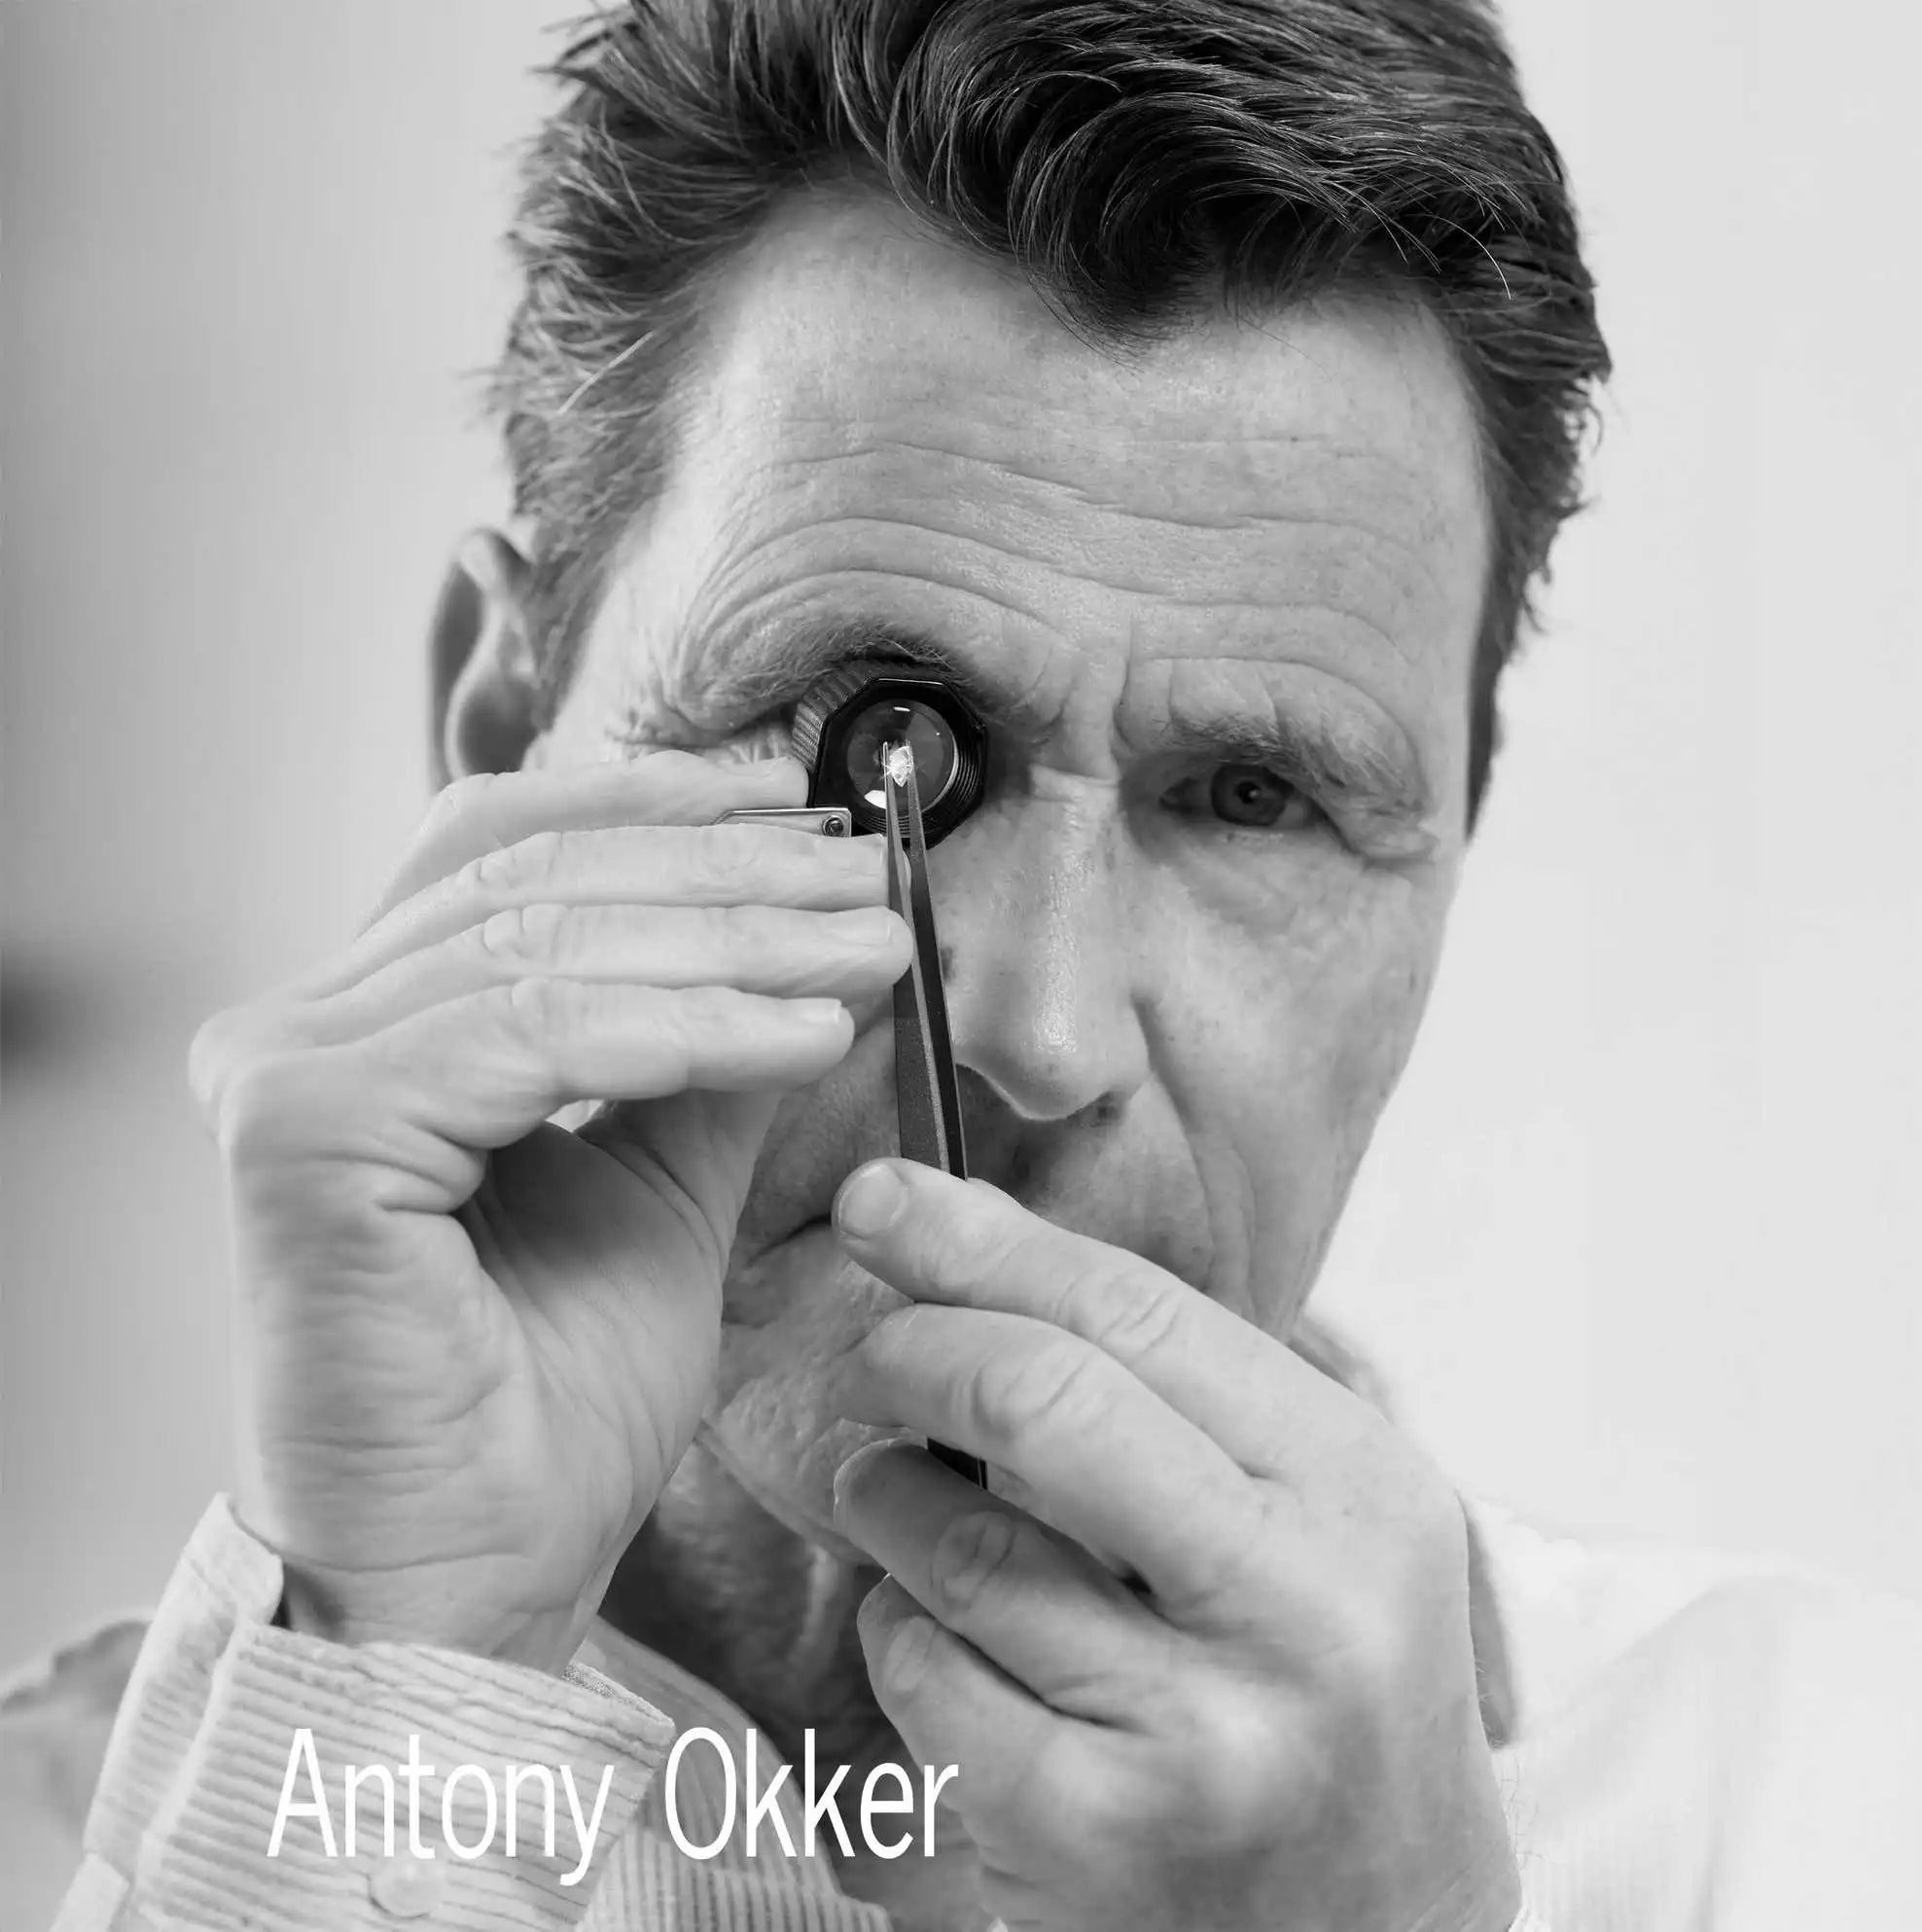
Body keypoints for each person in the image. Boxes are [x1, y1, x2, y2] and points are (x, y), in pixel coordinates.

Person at [10, 1, 1920, 1927]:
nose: (1038, 1030)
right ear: (505, 729)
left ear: (1441, 880)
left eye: (1253, 796)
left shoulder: (1832, 1813)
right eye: (880, 736)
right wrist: (387, 1700)